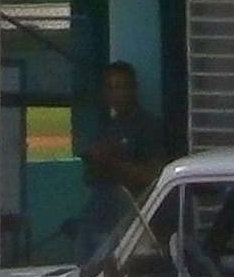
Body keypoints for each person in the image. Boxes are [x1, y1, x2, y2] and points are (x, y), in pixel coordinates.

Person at [75, 61, 177, 260]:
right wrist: (95, 160)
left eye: (122, 87)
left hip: (137, 217)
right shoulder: (106, 128)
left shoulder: (148, 127)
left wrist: (113, 161)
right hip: (103, 215)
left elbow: (155, 177)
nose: (116, 94)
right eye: (111, 88)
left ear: (134, 89)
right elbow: (90, 179)